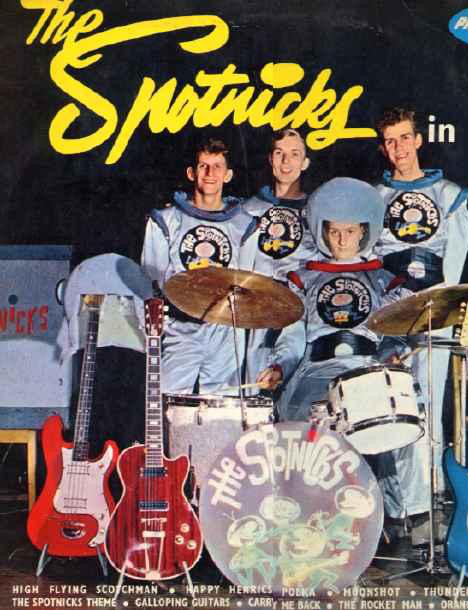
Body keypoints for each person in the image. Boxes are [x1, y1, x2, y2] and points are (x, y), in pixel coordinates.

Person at [256, 178, 432, 543]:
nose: (341, 239)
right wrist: (279, 367)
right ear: (323, 232)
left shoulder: (383, 280)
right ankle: (311, 516)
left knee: (405, 421)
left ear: (363, 232)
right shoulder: (303, 280)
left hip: (367, 371)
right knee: (309, 422)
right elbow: (292, 339)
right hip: (316, 373)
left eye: (349, 231)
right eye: (334, 231)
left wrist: (392, 356)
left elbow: (391, 335)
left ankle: (410, 515)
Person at [374, 107, 468, 544]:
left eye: (404, 138)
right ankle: (393, 504)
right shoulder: (375, 196)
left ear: (418, 140)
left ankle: (426, 502)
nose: (398, 148)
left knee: (427, 401)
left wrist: (444, 310)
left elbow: (454, 265)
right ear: (383, 148)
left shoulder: (448, 194)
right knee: (388, 403)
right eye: (390, 141)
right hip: (389, 311)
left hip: (433, 311)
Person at [141, 138, 257, 395]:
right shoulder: (166, 220)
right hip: (178, 326)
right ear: (191, 173)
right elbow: (151, 280)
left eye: (217, 166)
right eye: (203, 166)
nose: (210, 173)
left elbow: (250, 281)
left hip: (224, 330)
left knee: (222, 408)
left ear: (228, 175)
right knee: (169, 403)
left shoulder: (244, 225)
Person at [242, 129, 318, 390]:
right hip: (257, 310)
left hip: (300, 311)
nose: (286, 162)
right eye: (279, 153)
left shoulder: (316, 211)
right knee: (254, 389)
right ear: (270, 159)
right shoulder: (249, 209)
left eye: (294, 154)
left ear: (305, 162)